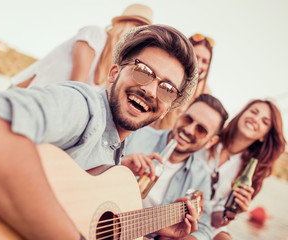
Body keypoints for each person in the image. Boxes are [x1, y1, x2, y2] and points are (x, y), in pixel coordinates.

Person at [0, 25, 199, 239]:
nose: (151, 90)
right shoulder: (84, 107)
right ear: (114, 72)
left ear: (165, 111)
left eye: (167, 88)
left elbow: (89, 217)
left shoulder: (114, 148)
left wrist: (151, 226)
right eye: (143, 71)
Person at [122, 94, 229, 240]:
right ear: (181, 114)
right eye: (188, 119)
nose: (189, 130)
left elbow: (204, 229)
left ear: (211, 141)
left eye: (201, 129)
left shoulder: (200, 176)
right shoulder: (136, 134)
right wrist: (120, 167)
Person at [194, 99, 286, 240]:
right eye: (253, 112)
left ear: (264, 136)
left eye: (264, 121)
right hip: (180, 206)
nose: (255, 119)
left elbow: (215, 221)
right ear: (242, 114)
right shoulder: (209, 134)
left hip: (209, 224)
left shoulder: (250, 172)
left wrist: (231, 213)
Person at [10, 3, 153, 89]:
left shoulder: (115, 63)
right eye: (137, 25)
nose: (137, 33)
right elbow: (75, 87)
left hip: (46, 111)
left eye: (142, 31)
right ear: (123, 22)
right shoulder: (95, 34)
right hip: (25, 95)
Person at [151, 33, 214, 130]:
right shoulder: (165, 75)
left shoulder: (205, 93)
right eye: (196, 57)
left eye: (205, 61)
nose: (199, 65)